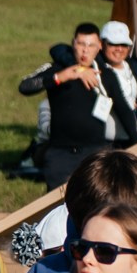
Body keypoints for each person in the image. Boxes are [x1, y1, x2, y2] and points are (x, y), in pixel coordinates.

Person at [24, 24, 114, 189]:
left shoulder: (105, 75)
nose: (85, 51)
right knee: (58, 207)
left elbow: (126, 111)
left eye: (91, 45)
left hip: (95, 154)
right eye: (81, 44)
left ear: (99, 46)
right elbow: (26, 86)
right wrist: (60, 77)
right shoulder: (57, 69)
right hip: (60, 154)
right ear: (73, 43)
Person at [97, 21, 137, 144]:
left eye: (124, 44)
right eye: (113, 44)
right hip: (104, 142)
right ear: (101, 44)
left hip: (133, 141)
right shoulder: (93, 67)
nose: (119, 49)